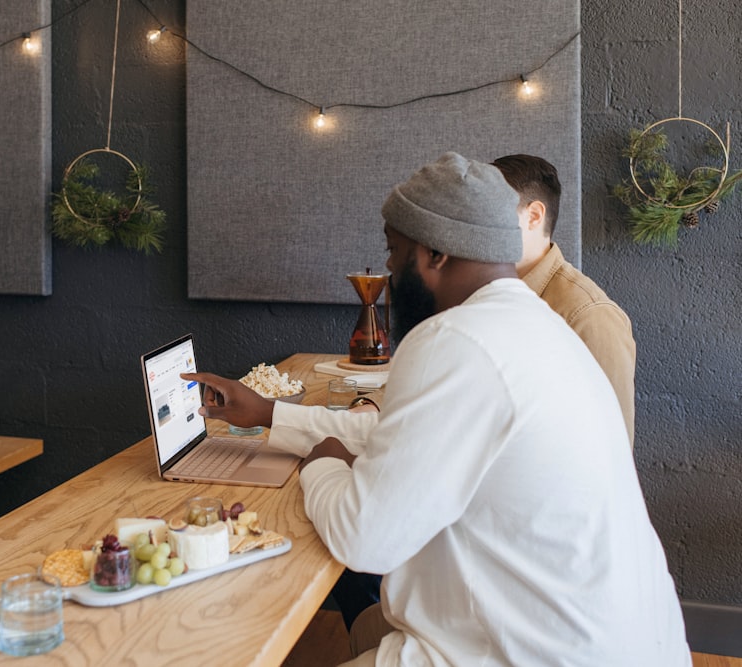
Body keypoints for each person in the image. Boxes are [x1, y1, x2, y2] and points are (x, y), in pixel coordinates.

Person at [183, 152, 689, 666]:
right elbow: (400, 436)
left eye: (393, 249)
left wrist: (323, 464)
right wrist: (271, 414)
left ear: (434, 255)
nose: (386, 267)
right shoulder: (541, 326)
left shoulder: (453, 338)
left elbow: (364, 539)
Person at [492, 154, 637, 446]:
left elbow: (611, 447)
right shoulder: (489, 295)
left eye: (489, 213)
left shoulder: (589, 315)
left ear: (534, 215)